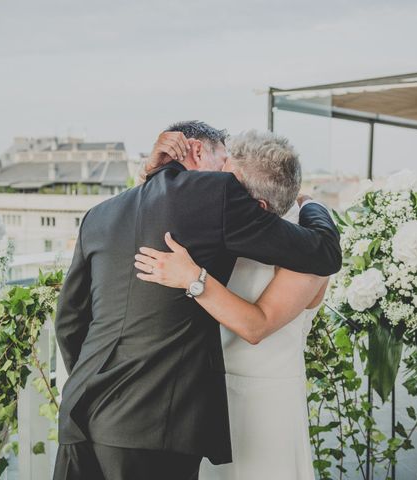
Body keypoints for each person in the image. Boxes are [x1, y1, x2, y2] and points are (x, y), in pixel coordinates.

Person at [53, 121, 341, 480]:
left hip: (83, 410)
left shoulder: (103, 212)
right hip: (153, 423)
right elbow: (324, 251)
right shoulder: (215, 196)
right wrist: (315, 205)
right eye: (223, 159)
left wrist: (96, 381)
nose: (224, 173)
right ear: (198, 151)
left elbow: (69, 321)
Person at [135, 129, 329, 479]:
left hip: (267, 408)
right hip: (207, 399)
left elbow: (257, 326)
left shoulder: (309, 247)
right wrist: (151, 172)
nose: (212, 189)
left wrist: (193, 278)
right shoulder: (224, 230)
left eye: (226, 184)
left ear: (256, 205)